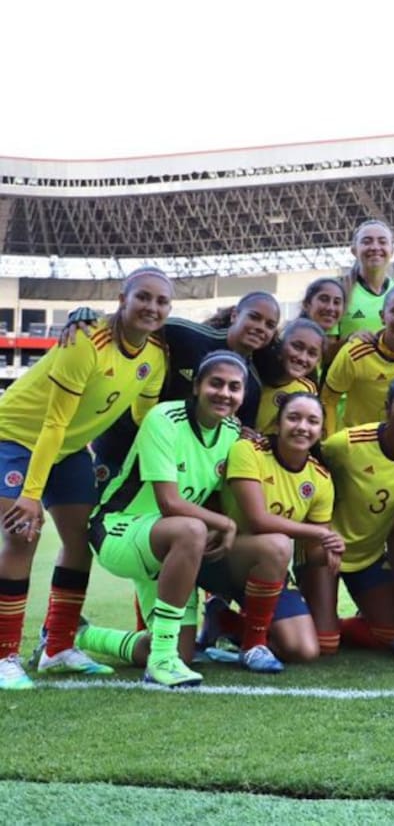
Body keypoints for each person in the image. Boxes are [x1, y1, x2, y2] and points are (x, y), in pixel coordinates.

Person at [0, 268, 172, 689]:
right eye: (143, 297)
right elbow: (54, 423)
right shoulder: (85, 341)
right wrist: (30, 495)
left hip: (69, 451)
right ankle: (4, 655)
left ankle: (57, 647)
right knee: (24, 535)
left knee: (81, 542)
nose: (151, 307)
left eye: (161, 301)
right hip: (13, 437)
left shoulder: (155, 356)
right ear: (122, 299)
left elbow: (142, 418)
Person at [79, 352, 246, 687]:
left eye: (234, 387)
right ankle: (162, 661)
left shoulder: (232, 433)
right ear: (197, 386)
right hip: (119, 530)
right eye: (216, 383)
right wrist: (226, 524)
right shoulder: (164, 418)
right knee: (192, 528)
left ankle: (80, 634)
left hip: (169, 545)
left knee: (184, 653)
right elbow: (170, 503)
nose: (225, 393)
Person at [88, 290, 279, 488]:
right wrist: (88, 320)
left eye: (269, 325)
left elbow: (237, 435)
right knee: (99, 512)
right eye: (254, 317)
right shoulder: (186, 336)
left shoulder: (253, 386)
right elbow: (132, 322)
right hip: (123, 445)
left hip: (175, 466)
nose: (260, 327)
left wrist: (245, 438)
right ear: (234, 315)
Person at [213, 392, 343, 664]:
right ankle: (253, 645)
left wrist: (332, 548)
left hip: (270, 570)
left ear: (321, 431)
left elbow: (313, 551)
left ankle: (226, 622)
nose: (302, 427)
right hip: (224, 556)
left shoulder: (320, 478)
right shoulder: (248, 451)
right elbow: (258, 520)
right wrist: (319, 533)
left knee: (305, 650)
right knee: (278, 543)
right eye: (293, 418)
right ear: (278, 423)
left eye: (312, 421)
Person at [317, 374, 394, 655]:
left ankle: (338, 623)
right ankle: (231, 621)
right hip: (325, 552)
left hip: (368, 557)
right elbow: (309, 475)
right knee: (324, 646)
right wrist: (320, 531)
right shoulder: (346, 444)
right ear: (387, 407)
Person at [320, 284, 394, 434]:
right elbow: (328, 399)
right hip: (361, 443)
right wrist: (328, 442)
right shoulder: (355, 353)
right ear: (382, 316)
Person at [254, 318, 323, 435]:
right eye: (297, 347)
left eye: (312, 353)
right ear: (281, 345)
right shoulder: (253, 374)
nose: (302, 358)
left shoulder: (307, 390)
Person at [336, 219, 394, 344]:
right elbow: (323, 352)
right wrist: (349, 340)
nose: (375, 247)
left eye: (382, 242)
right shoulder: (338, 291)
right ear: (354, 250)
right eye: (367, 242)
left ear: (392, 251)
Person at [299, 277, 346, 370]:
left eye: (336, 302)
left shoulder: (321, 343)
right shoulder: (295, 336)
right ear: (306, 304)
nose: (330, 308)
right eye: (324, 299)